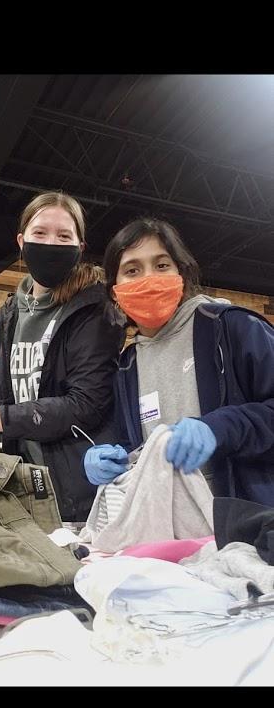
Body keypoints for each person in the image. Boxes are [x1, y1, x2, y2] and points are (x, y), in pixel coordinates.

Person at [0, 191, 125, 522]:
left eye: (64, 236)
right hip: (25, 486)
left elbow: (86, 404)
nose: (51, 243)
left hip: (81, 492)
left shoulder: (94, 311)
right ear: (22, 241)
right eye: (40, 232)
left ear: (80, 247)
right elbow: (8, 396)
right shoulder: (7, 317)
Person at [83, 215, 274, 506]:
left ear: (181, 275)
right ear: (115, 292)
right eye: (132, 270)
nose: (149, 279)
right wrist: (115, 457)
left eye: (162, 265)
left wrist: (219, 428)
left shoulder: (232, 329)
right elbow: (136, 443)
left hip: (245, 521)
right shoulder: (127, 367)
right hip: (167, 524)